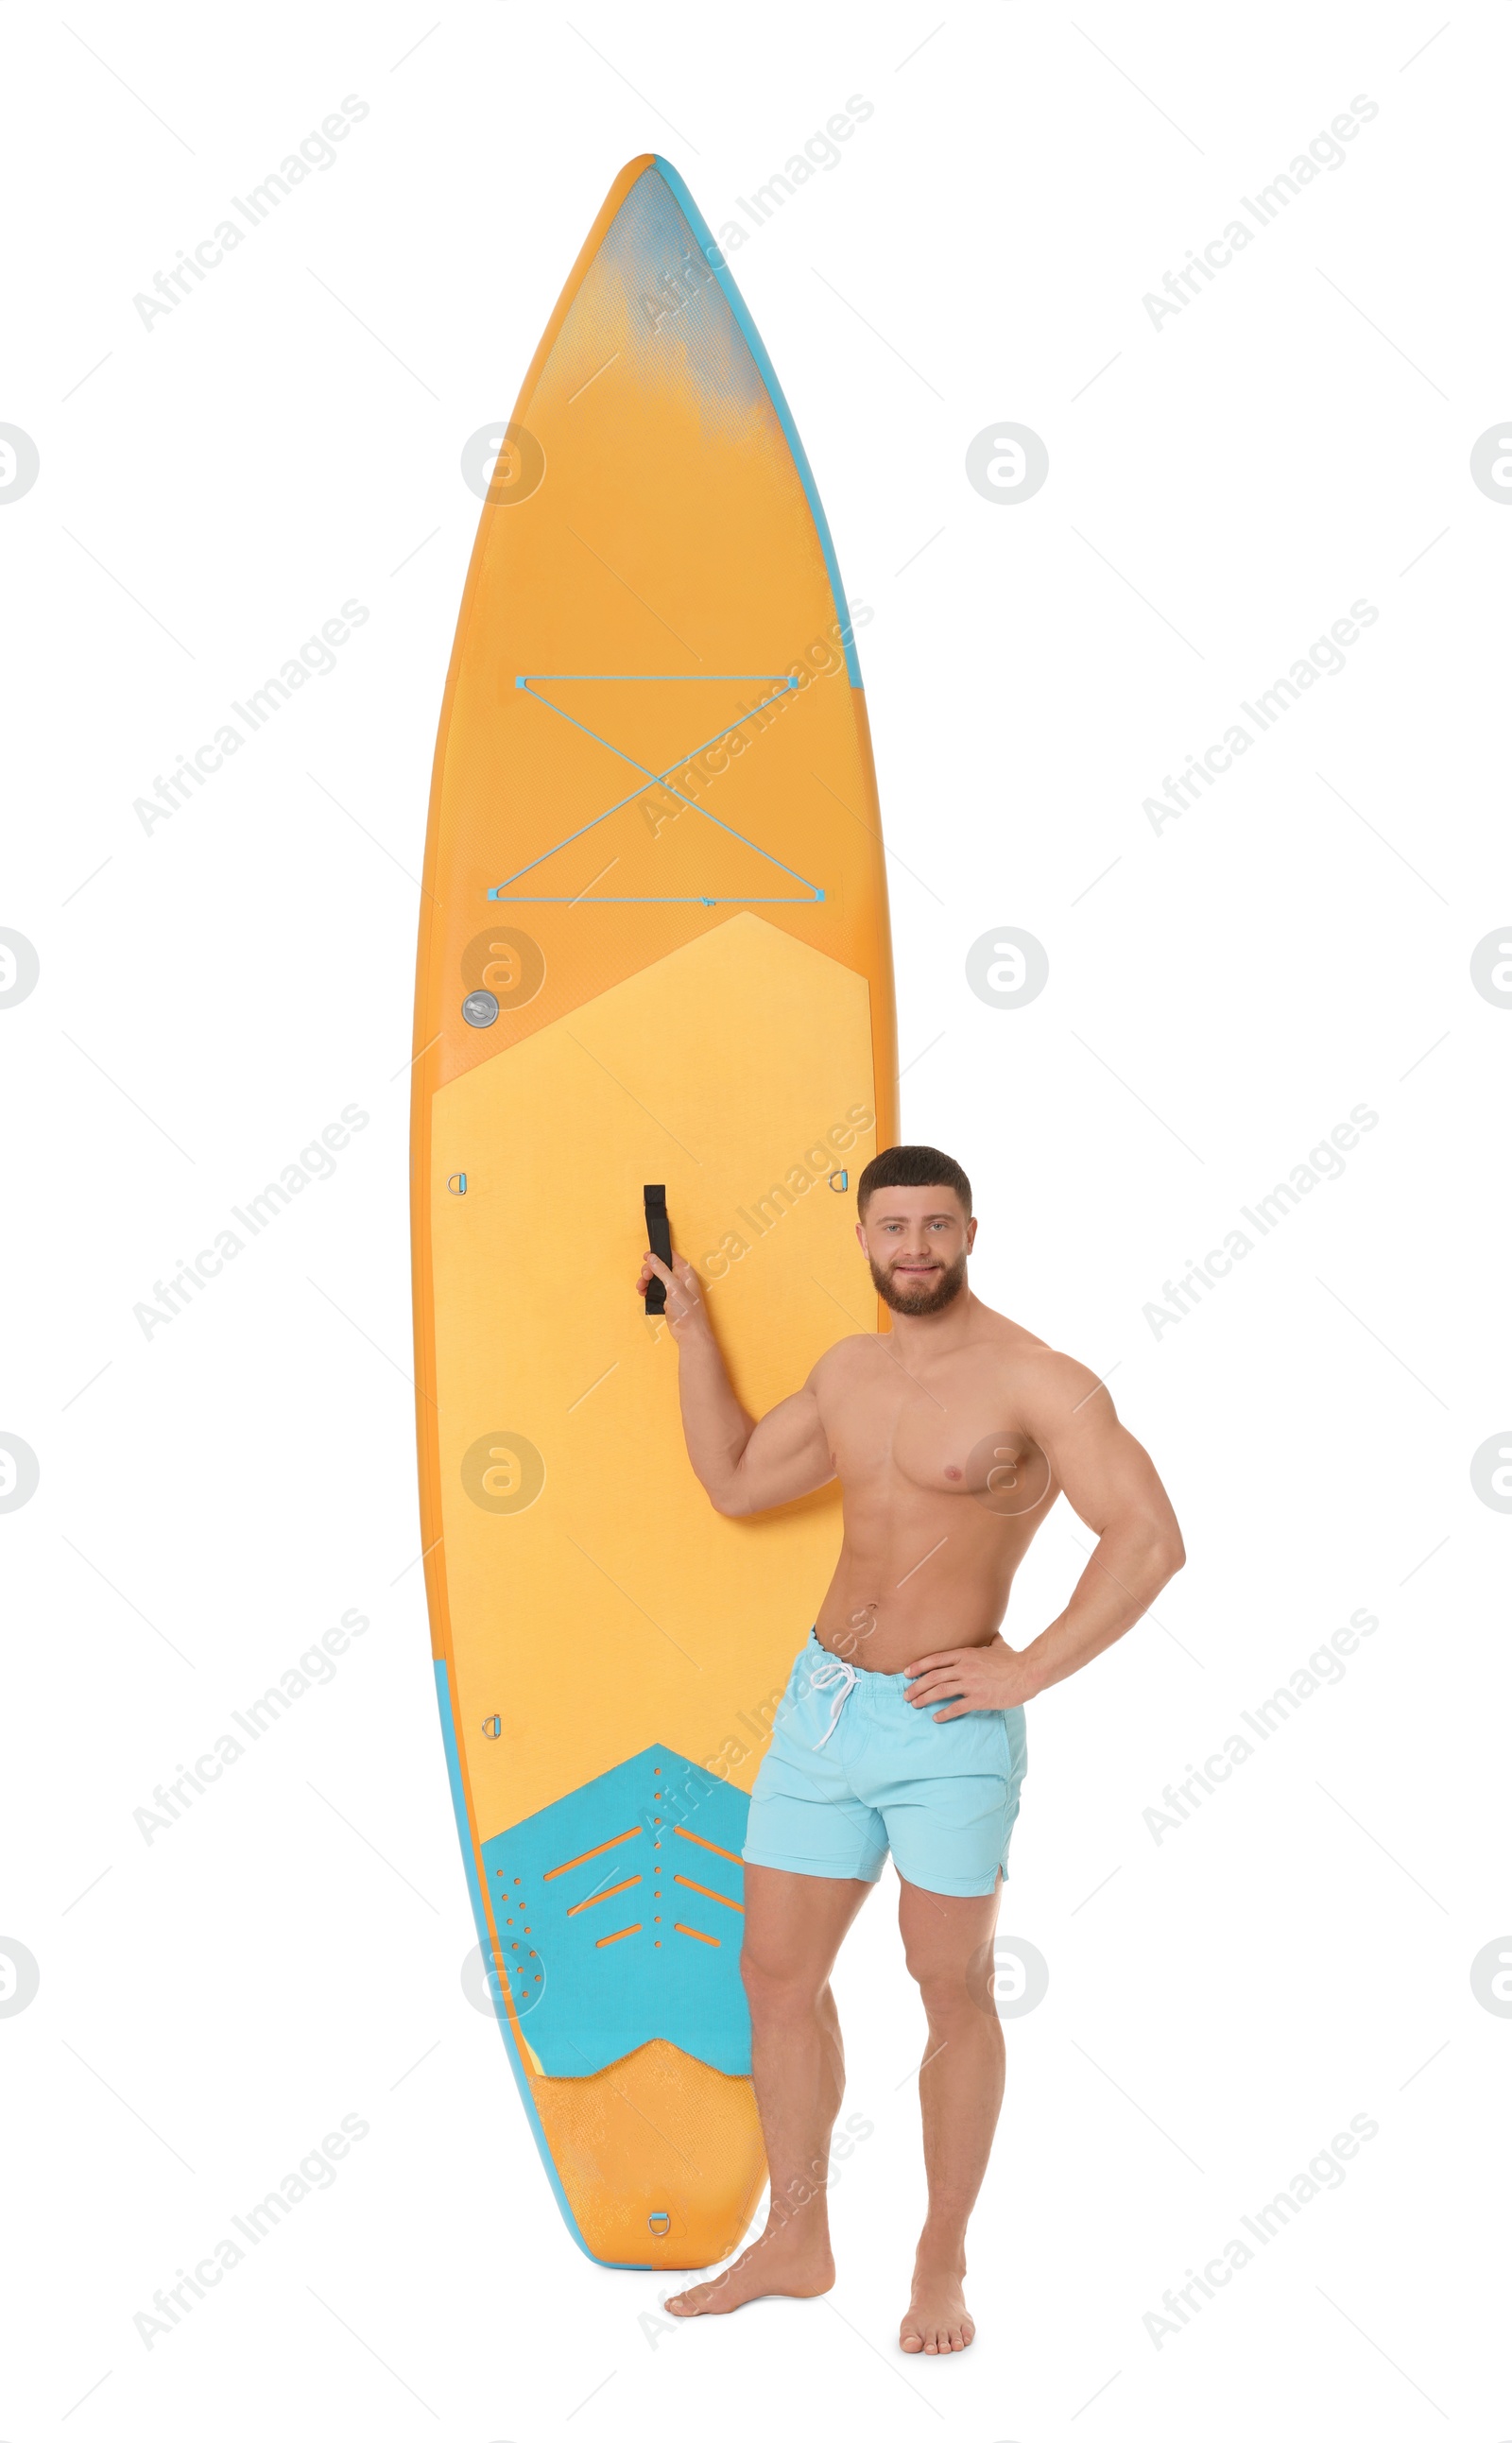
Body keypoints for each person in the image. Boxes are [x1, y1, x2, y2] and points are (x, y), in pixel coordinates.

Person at [637, 1144, 1184, 2354]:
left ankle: (940, 2258)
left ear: (972, 1233)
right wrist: (690, 1337)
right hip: (821, 1710)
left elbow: (1147, 1536)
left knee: (948, 1990)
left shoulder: (1040, 1381)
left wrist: (1025, 1666)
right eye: (894, 1227)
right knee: (775, 1979)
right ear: (865, 1240)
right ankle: (796, 2235)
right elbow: (732, 1482)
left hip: (949, 1728)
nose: (916, 1247)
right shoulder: (848, 1371)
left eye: (937, 1225)